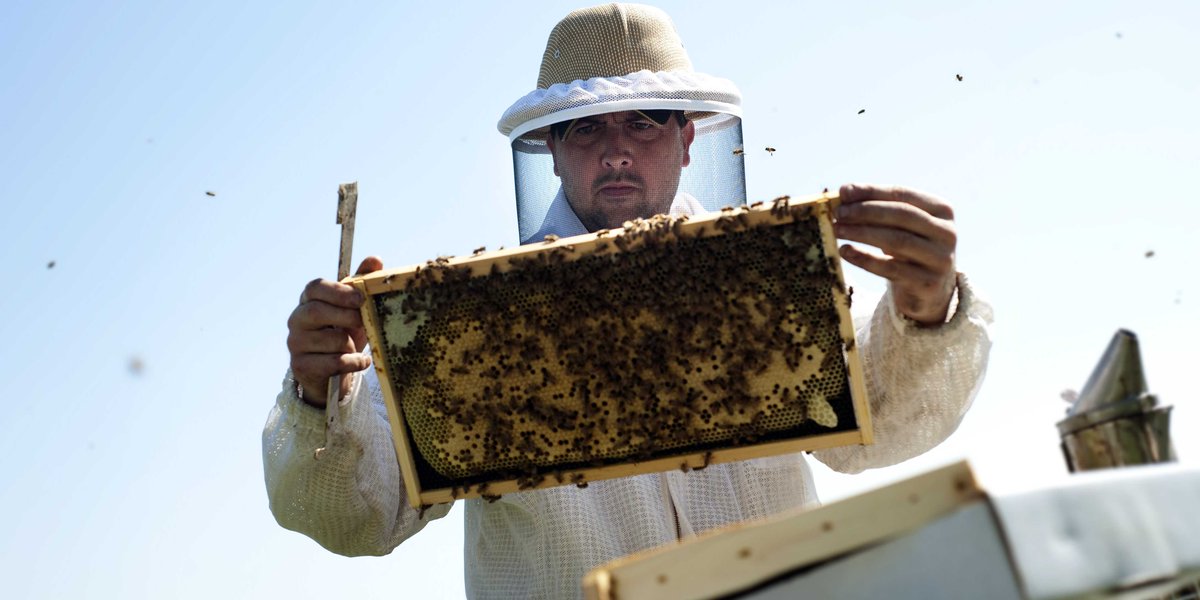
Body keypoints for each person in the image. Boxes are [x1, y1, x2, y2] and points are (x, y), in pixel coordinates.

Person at [263, 4, 993, 599]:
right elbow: (352, 518)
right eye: (587, 126)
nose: (616, 150)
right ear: (552, 149)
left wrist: (925, 311)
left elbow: (881, 429)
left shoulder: (764, 282)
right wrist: (320, 393)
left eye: (642, 121)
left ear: (686, 138)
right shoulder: (466, 327)